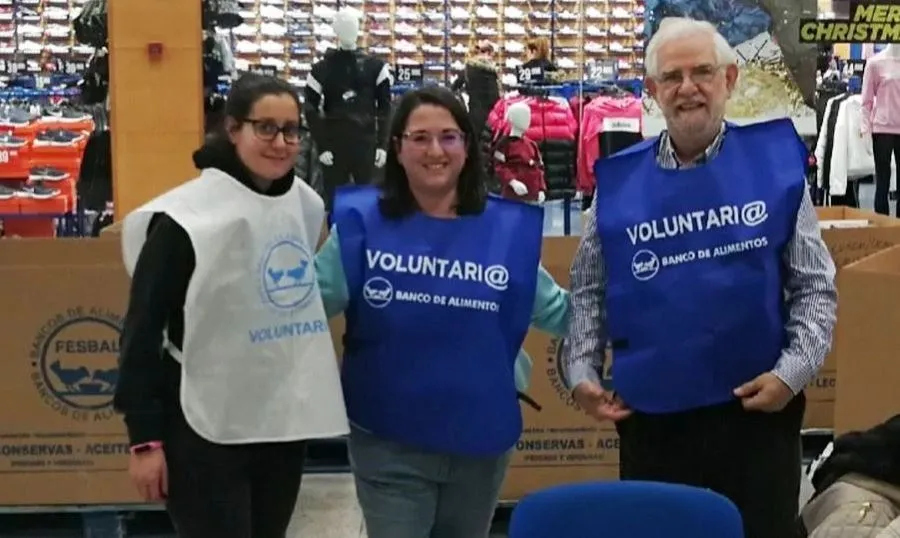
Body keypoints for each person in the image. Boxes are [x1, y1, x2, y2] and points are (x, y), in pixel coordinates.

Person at [563, 17, 838, 538]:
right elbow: (588, 291)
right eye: (672, 77)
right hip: (654, 421)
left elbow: (813, 287)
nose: (687, 88)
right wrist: (581, 370)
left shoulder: (776, 169)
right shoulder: (618, 186)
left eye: (702, 72)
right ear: (652, 91)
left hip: (757, 413)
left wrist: (792, 373)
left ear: (729, 80)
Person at [314, 85, 569, 538]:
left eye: (449, 136)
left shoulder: (502, 232)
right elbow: (303, 307)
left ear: (467, 147)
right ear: (397, 148)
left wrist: (642, 307)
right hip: (389, 438)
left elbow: (558, 311)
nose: (435, 150)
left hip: (481, 439)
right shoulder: (360, 226)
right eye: (420, 137)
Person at [114, 74, 348, 538]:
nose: (280, 143)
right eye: (266, 128)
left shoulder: (305, 204)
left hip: (279, 423)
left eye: (291, 130)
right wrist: (144, 439)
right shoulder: (186, 219)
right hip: (202, 424)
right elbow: (143, 329)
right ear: (233, 128)